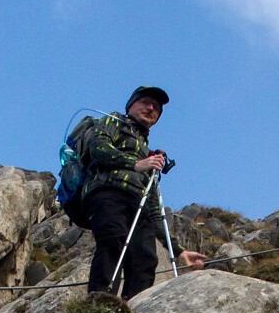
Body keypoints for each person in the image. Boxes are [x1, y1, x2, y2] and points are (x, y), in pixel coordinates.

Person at [81, 85, 203, 298]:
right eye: (145, 102)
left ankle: (135, 306)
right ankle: (99, 300)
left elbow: (155, 210)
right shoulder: (113, 121)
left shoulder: (148, 153)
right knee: (113, 240)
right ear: (131, 105)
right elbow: (98, 148)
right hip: (109, 192)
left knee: (145, 257)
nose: (151, 108)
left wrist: (178, 251)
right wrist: (136, 163)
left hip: (140, 204)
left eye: (156, 107)